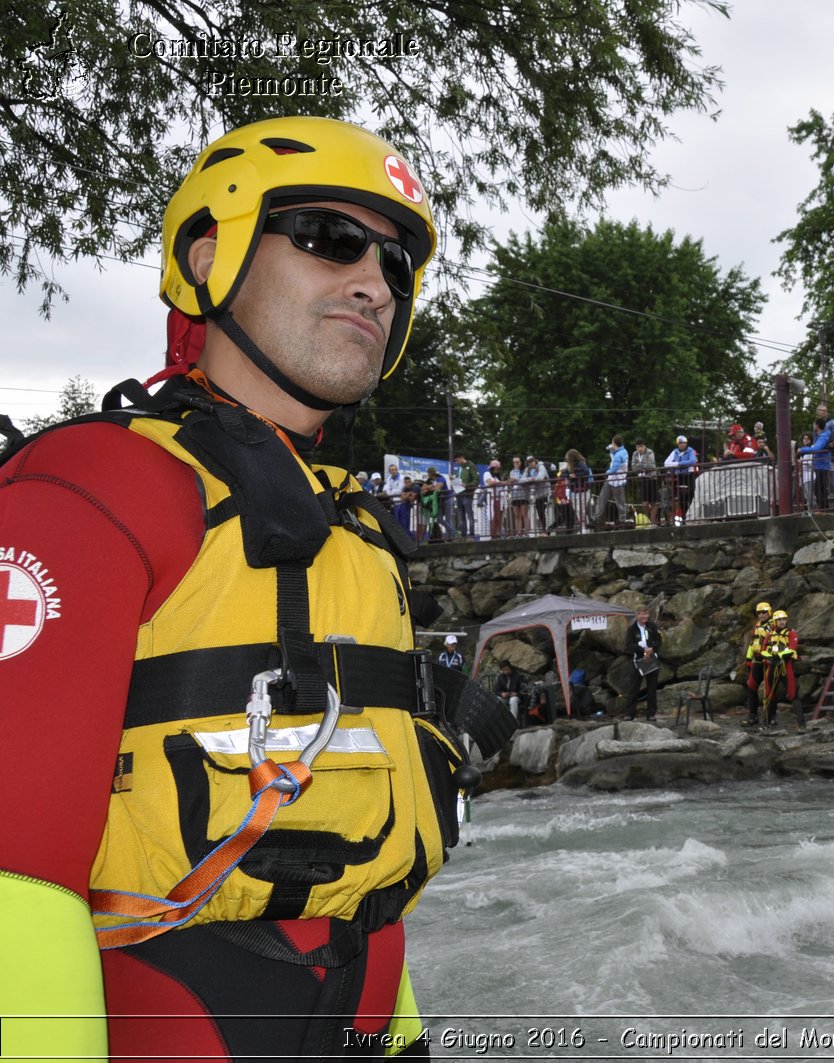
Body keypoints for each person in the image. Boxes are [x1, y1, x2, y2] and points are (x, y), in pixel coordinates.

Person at [0, 116, 519, 1059]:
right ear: (211, 251)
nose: (374, 281)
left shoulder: (357, 534)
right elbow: (11, 891)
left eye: (397, 267)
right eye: (330, 238)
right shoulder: (90, 494)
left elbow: (364, 893)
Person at [621, 606, 663, 721]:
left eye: (646, 614)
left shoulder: (653, 627)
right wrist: (642, 650)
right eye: (642, 614)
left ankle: (651, 714)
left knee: (652, 688)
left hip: (651, 659)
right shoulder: (631, 629)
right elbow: (629, 645)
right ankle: (629, 714)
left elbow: (659, 640)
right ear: (637, 615)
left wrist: (651, 648)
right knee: (634, 688)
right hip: (637, 661)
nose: (645, 616)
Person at [760, 609, 800, 728]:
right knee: (769, 693)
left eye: (784, 620)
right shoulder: (770, 634)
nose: (782, 622)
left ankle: (801, 723)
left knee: (793, 693)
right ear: (775, 622)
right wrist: (771, 657)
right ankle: (769, 720)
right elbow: (763, 651)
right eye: (779, 620)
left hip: (785, 666)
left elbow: (792, 648)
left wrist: (779, 656)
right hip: (772, 666)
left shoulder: (791, 633)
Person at [743, 601, 774, 726]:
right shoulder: (757, 626)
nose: (761, 615)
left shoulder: (774, 626)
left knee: (769, 690)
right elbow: (753, 644)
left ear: (769, 612)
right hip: (757, 660)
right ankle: (753, 715)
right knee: (751, 687)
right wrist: (748, 659)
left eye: (764, 612)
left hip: (769, 661)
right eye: (759, 613)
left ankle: (770, 717)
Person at [594, 434, 631, 529]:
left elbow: (614, 467)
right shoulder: (621, 451)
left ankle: (622, 521)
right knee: (602, 500)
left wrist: (607, 472)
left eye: (612, 443)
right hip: (611, 480)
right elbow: (611, 451)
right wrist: (610, 448)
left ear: (615, 443)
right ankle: (597, 519)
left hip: (617, 481)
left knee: (619, 503)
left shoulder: (620, 454)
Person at [797, 418, 834, 510]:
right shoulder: (819, 436)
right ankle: (823, 507)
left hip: (823, 464)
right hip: (819, 464)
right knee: (819, 487)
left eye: (814, 424)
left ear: (817, 426)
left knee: (820, 487)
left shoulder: (823, 436)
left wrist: (802, 450)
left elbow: (817, 448)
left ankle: (823, 507)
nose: (813, 426)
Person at [663, 434, 697, 521]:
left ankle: (687, 514)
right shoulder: (675, 452)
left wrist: (679, 464)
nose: (683, 444)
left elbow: (692, 461)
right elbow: (666, 463)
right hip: (680, 477)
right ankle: (684, 516)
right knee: (681, 498)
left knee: (691, 493)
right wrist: (678, 464)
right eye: (681, 443)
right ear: (678, 444)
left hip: (689, 475)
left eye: (684, 443)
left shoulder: (690, 451)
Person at [494, 658, 530, 725]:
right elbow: (496, 690)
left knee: (513, 700)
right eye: (503, 670)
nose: (505, 671)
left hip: (517, 697)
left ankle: (512, 723)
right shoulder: (501, 677)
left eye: (506, 669)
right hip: (506, 697)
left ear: (510, 667)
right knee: (498, 700)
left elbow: (524, 690)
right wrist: (501, 694)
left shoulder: (519, 676)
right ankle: (500, 722)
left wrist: (516, 693)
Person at [632, 439, 659, 525]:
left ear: (644, 446)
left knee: (654, 502)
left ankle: (653, 521)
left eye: (641, 446)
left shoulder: (650, 452)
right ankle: (650, 519)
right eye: (637, 447)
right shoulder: (635, 454)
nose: (639, 449)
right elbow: (634, 467)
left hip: (652, 478)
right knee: (645, 503)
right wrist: (642, 466)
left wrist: (640, 465)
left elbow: (651, 465)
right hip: (643, 479)